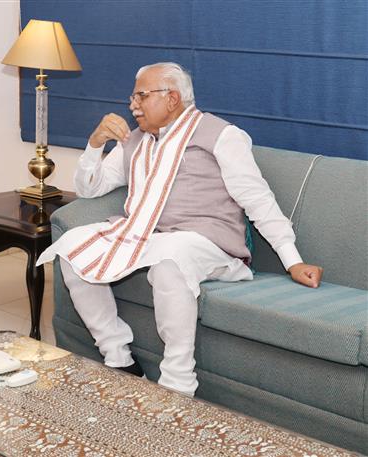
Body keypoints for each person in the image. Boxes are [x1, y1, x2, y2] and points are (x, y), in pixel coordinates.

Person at [37, 62, 323, 397]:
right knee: (72, 248)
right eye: (133, 96)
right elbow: (90, 189)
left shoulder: (220, 135)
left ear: (172, 98)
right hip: (146, 236)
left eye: (141, 96)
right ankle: (119, 358)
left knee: (170, 259)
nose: (133, 105)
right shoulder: (135, 140)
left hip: (207, 242)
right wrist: (96, 142)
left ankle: (177, 385)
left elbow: (257, 198)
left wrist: (292, 260)